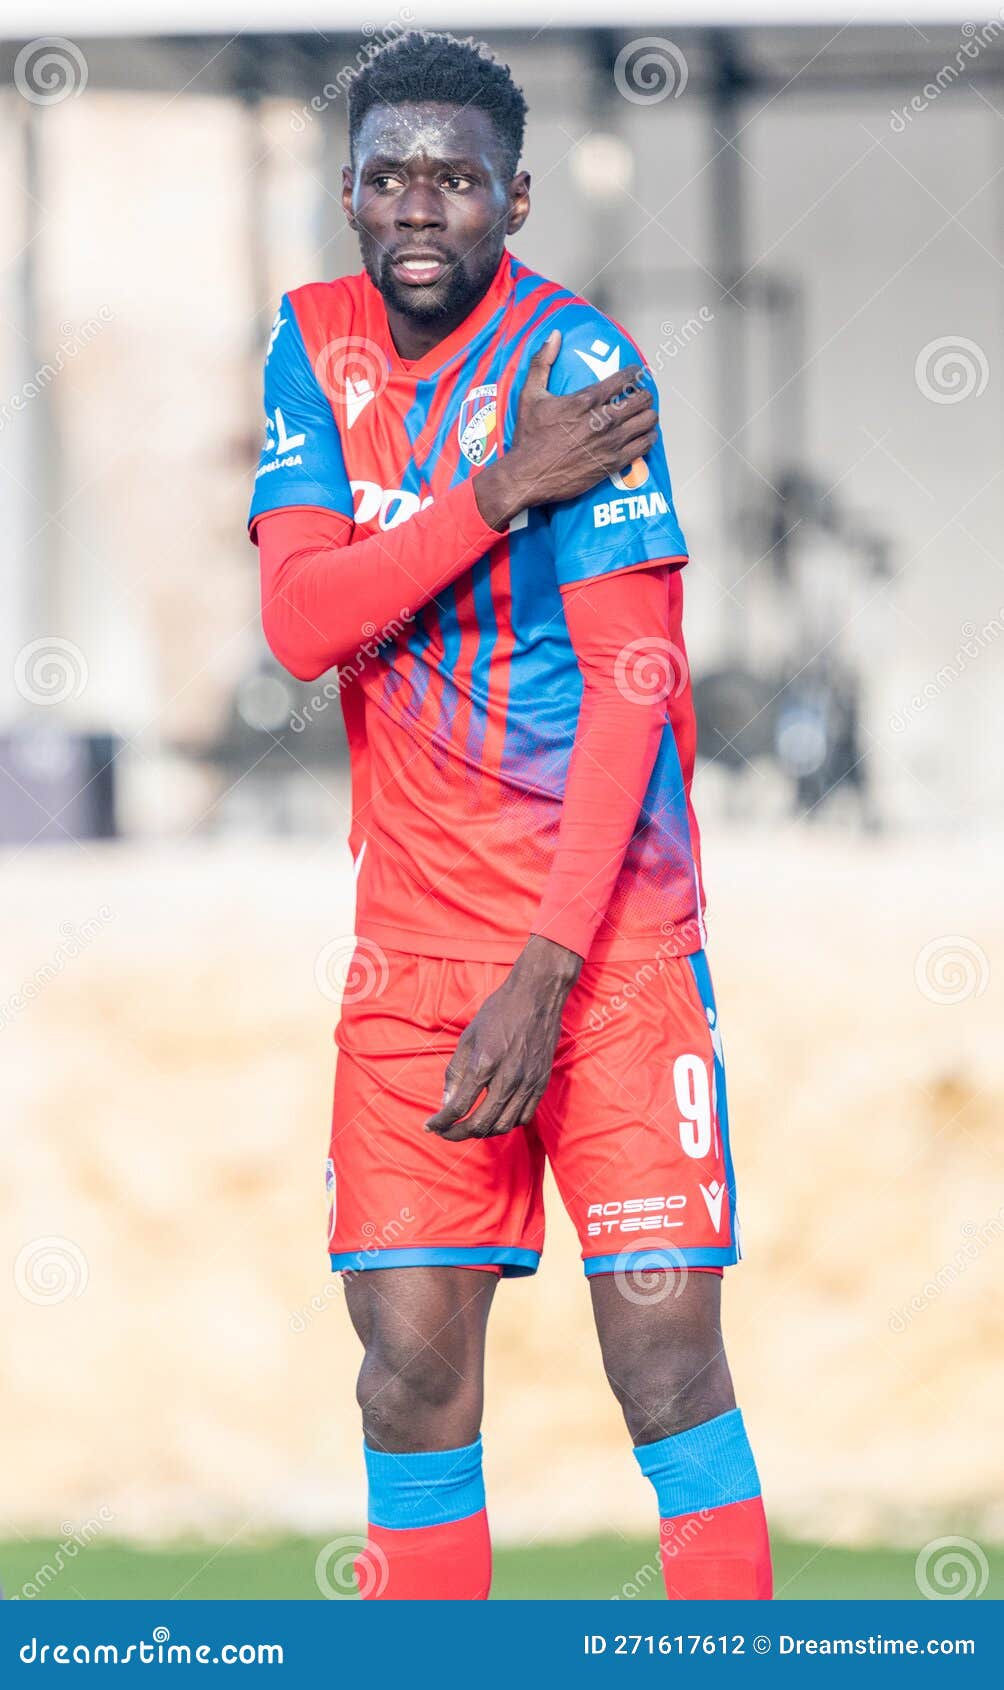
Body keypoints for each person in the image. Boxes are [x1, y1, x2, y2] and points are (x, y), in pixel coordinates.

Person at [249, 29, 771, 1602]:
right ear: (346, 194)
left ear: (515, 198)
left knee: (664, 1355)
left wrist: (546, 966)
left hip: (605, 942)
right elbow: (301, 623)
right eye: (391, 176)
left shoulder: (582, 371)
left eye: (456, 180)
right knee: (407, 1368)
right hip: (407, 949)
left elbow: (632, 682)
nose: (421, 207)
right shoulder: (311, 344)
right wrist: (490, 497)